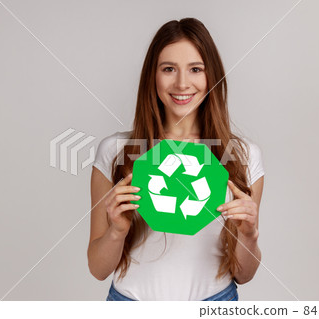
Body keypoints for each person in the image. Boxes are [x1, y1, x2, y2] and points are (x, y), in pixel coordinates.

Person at [88, 17, 265, 301]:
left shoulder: (242, 156)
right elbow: (98, 268)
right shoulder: (116, 151)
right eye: (168, 69)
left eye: (196, 69)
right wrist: (116, 231)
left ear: (212, 76)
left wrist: (249, 235)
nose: (182, 83)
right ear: (152, 76)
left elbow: (244, 274)